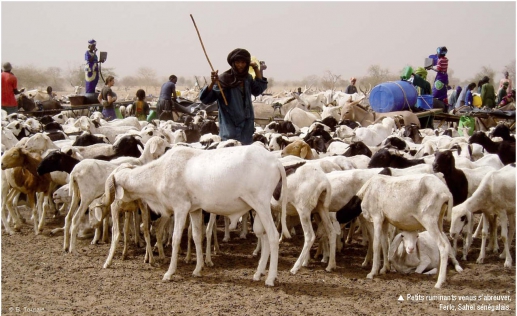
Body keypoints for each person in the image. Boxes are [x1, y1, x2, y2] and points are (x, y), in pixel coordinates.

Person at [200, 48, 267, 145]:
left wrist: (256, 68)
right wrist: (213, 83)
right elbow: (207, 99)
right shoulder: (224, 79)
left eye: (243, 62)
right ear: (233, 63)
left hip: (246, 128)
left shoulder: (247, 78)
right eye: (238, 62)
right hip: (230, 128)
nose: (240, 65)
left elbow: (258, 90)